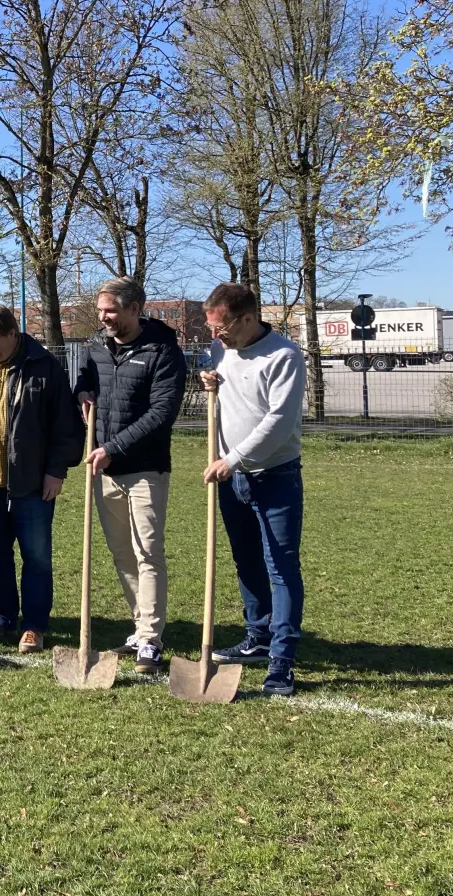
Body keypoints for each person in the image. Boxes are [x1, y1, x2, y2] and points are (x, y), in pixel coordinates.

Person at [0, 305, 82, 654]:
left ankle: (34, 625)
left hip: (33, 482)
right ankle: (1, 617)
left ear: (13, 334)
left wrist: (57, 470)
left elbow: (65, 425)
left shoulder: (44, 366)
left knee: (36, 556)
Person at [73, 277, 187, 674]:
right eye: (101, 310)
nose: (104, 317)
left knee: (147, 553)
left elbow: (161, 414)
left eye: (111, 311)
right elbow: (86, 378)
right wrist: (82, 392)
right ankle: (140, 628)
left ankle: (151, 641)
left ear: (135, 308)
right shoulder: (95, 347)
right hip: (104, 470)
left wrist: (112, 448)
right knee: (122, 555)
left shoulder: (163, 352)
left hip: (145, 469)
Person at [200, 282, 306, 697]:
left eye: (222, 327)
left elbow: (278, 423)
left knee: (280, 567)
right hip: (232, 479)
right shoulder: (222, 350)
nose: (216, 336)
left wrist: (233, 459)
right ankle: (258, 636)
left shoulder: (283, 356)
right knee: (246, 563)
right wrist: (211, 381)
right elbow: (230, 393)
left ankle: (282, 661)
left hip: (274, 476)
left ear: (248, 318)